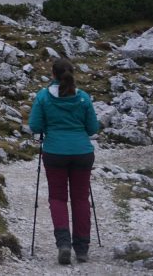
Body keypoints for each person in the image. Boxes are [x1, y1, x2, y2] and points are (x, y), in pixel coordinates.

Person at [28, 57, 100, 265]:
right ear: (72, 74)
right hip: (82, 153)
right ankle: (82, 248)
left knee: (58, 198)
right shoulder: (83, 98)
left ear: (53, 75)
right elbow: (93, 129)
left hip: (55, 152)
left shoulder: (43, 97)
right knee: (80, 198)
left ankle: (64, 244)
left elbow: (35, 126)